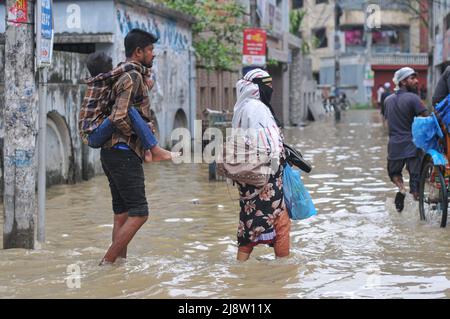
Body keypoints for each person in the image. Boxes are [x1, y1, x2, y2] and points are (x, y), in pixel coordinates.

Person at [98, 29, 163, 265]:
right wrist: (140, 134)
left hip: (110, 152)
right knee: (140, 213)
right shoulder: (132, 76)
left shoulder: (122, 72)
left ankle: (118, 268)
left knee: (122, 215)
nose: (153, 54)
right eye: (150, 50)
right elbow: (118, 116)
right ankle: (106, 263)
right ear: (138, 52)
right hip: (123, 152)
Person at [231, 68, 291, 261]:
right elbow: (270, 145)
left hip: (248, 175)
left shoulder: (241, 107)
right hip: (265, 176)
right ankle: (283, 270)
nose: (271, 89)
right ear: (258, 87)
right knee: (281, 223)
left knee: (249, 225)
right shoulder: (257, 108)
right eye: (269, 85)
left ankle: (240, 270)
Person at [85, 51, 174, 163]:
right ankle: (153, 149)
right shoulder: (104, 81)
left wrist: (145, 84)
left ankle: (148, 151)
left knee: (127, 106)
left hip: (95, 135)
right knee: (127, 109)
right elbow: (128, 66)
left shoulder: (99, 83)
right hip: (94, 136)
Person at [384, 67, 429, 212]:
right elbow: (426, 120)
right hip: (412, 146)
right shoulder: (414, 98)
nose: (416, 81)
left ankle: (401, 189)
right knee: (416, 179)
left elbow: (387, 123)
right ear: (403, 82)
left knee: (394, 173)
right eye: (412, 78)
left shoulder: (387, 100)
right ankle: (418, 213)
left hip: (394, 145)